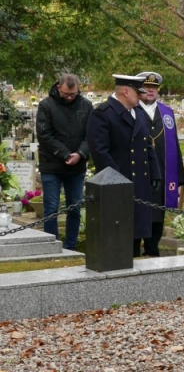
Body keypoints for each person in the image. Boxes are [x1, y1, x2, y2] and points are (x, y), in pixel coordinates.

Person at [86, 74, 161, 257]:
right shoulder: (103, 113)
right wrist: (118, 180)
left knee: (136, 230)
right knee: (120, 232)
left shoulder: (139, 113)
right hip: (118, 181)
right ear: (125, 92)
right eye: (138, 92)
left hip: (140, 182)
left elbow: (147, 146)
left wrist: (155, 173)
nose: (141, 96)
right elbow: (100, 151)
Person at [35, 73, 92, 250]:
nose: (69, 97)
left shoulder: (86, 106)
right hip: (52, 165)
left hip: (77, 166)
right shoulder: (46, 106)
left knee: (74, 208)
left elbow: (91, 134)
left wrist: (81, 153)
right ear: (59, 88)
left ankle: (70, 247)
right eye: (66, 94)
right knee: (51, 208)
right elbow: (44, 135)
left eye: (73, 94)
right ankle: (51, 246)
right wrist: (66, 154)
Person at [136, 72, 184, 257]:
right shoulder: (132, 110)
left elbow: (174, 144)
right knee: (138, 211)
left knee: (157, 213)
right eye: (146, 87)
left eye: (154, 87)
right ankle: (134, 249)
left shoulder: (167, 112)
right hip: (138, 172)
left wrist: (179, 177)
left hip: (162, 173)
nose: (150, 90)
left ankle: (152, 249)